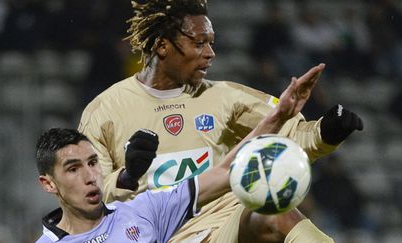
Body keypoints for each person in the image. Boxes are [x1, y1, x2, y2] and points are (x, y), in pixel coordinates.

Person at [78, 0, 363, 242]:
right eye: (199, 43)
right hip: (160, 234)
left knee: (275, 210)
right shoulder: (106, 110)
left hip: (223, 225)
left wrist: (325, 132)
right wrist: (127, 175)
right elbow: (88, 195)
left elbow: (286, 138)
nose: (210, 53)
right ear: (163, 47)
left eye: (211, 44)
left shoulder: (225, 97)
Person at [36, 76, 323, 242]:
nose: (89, 176)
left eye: (93, 163)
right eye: (73, 168)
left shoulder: (143, 211)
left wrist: (277, 116)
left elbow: (224, 171)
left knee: (275, 210)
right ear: (48, 184)